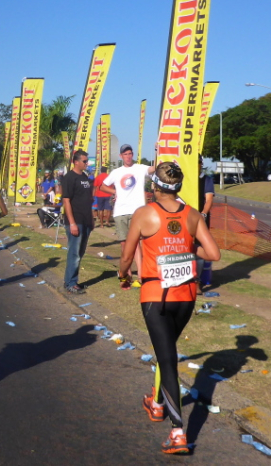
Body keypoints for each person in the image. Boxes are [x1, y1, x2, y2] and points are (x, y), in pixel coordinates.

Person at [119, 162, 220, 454]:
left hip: (156, 296)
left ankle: (177, 432)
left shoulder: (143, 214)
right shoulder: (193, 214)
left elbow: (127, 256)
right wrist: (184, 247)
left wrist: (122, 275)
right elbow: (213, 253)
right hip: (186, 297)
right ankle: (156, 402)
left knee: (167, 360)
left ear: (154, 186)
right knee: (166, 352)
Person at [100, 144, 156, 288]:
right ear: (121, 156)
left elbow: (154, 168)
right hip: (120, 212)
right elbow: (102, 186)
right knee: (124, 244)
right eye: (125, 154)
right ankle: (127, 275)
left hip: (137, 212)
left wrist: (158, 150)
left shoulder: (139, 168)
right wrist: (114, 192)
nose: (128, 156)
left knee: (136, 244)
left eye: (130, 153)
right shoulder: (117, 172)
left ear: (133, 155)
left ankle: (141, 275)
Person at [61, 150, 93, 294]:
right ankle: (70, 283)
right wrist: (72, 223)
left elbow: (87, 200)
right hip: (76, 220)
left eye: (87, 161)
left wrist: (91, 220)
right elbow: (66, 200)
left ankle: (71, 280)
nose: (87, 163)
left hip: (86, 220)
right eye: (84, 161)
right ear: (76, 162)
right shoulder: (69, 177)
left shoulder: (85, 177)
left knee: (80, 252)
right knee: (74, 253)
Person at [197, 154, 215, 287]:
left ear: (201, 164)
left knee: (199, 248)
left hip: (200, 219)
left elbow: (209, 200)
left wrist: (203, 213)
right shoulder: (184, 178)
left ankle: (197, 280)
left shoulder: (206, 179)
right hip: (184, 218)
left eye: (197, 163)